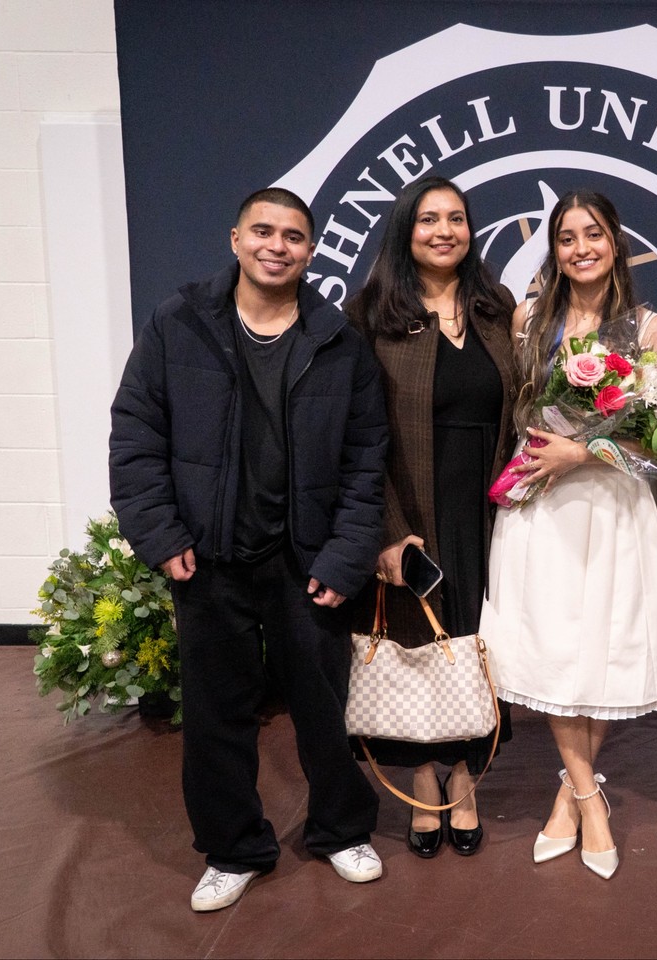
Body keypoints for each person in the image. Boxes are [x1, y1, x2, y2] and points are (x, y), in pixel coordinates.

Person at [109, 187, 389, 912]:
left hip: (308, 561)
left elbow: (366, 461)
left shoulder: (338, 340)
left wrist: (345, 555)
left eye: (293, 236)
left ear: (311, 251)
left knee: (324, 709)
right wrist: (161, 535)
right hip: (209, 559)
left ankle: (340, 831)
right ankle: (234, 848)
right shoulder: (179, 323)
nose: (277, 246)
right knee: (215, 715)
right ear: (235, 240)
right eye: (263, 231)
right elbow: (136, 435)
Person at [478, 190, 657, 881]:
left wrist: (585, 452)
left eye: (592, 234)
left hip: (612, 505)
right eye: (566, 238)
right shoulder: (529, 320)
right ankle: (588, 799)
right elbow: (512, 414)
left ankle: (570, 799)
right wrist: (552, 457)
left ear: (614, 241)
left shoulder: (649, 329)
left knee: (598, 651)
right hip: (540, 504)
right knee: (556, 650)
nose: (580, 249)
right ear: (555, 250)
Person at [344, 175, 518, 859]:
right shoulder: (369, 315)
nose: (444, 231)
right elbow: (356, 435)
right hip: (410, 507)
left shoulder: (496, 307)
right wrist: (387, 531)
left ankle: (466, 778)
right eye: (427, 220)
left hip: (489, 510)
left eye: (456, 218)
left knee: (476, 641)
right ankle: (422, 777)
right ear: (404, 231)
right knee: (417, 642)